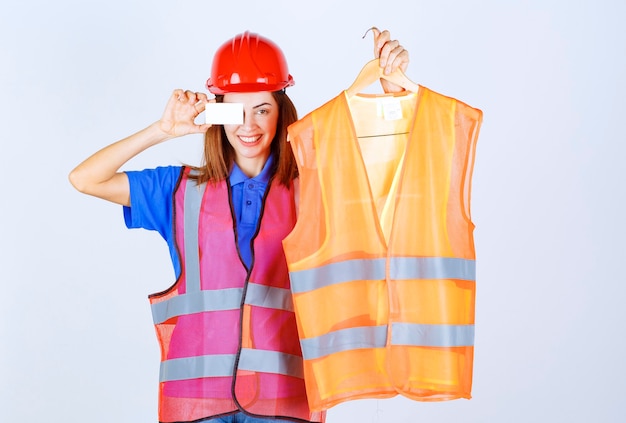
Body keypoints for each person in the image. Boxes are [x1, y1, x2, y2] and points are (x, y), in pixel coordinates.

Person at [69, 28, 410, 423]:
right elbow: (85, 178)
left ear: (282, 111)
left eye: (262, 109)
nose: (249, 125)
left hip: (285, 402)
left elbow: (393, 185)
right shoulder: (179, 190)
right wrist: (162, 130)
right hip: (195, 405)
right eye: (236, 110)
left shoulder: (315, 190)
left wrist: (393, 95)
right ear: (217, 113)